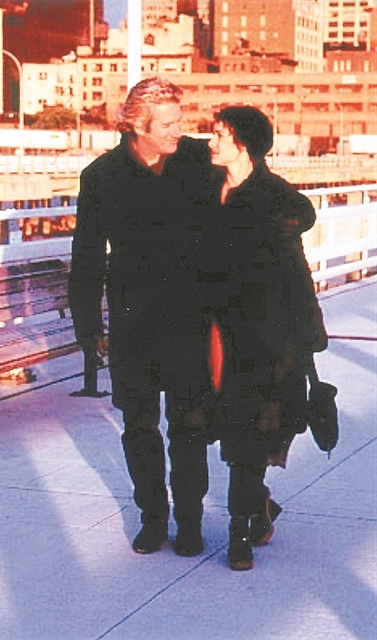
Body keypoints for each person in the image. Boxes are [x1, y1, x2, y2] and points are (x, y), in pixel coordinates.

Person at [69, 77, 213, 558]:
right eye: (168, 124)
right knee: (139, 426)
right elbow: (87, 256)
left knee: (190, 425)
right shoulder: (101, 177)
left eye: (179, 120)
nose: (179, 130)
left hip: (191, 318)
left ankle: (190, 521)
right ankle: (153, 517)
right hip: (132, 321)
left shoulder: (198, 161)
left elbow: (245, 196)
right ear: (137, 126)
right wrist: (89, 326)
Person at [200, 106, 327, 571]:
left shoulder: (273, 200)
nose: (211, 141)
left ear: (243, 144)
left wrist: (310, 338)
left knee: (247, 437)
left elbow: (296, 271)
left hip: (265, 339)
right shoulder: (206, 188)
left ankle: (239, 532)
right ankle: (259, 506)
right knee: (229, 432)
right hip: (216, 334)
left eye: (220, 134)